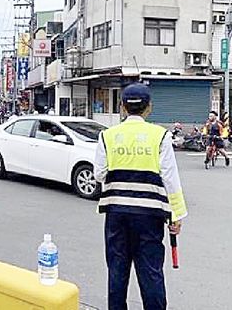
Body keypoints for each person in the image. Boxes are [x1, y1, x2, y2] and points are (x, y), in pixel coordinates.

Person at [94, 83, 188, 310]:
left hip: (116, 215)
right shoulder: (160, 136)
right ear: (149, 108)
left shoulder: (107, 136)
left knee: (117, 271)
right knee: (150, 272)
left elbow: (99, 174)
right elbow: (170, 179)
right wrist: (176, 215)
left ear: (123, 107)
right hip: (149, 216)